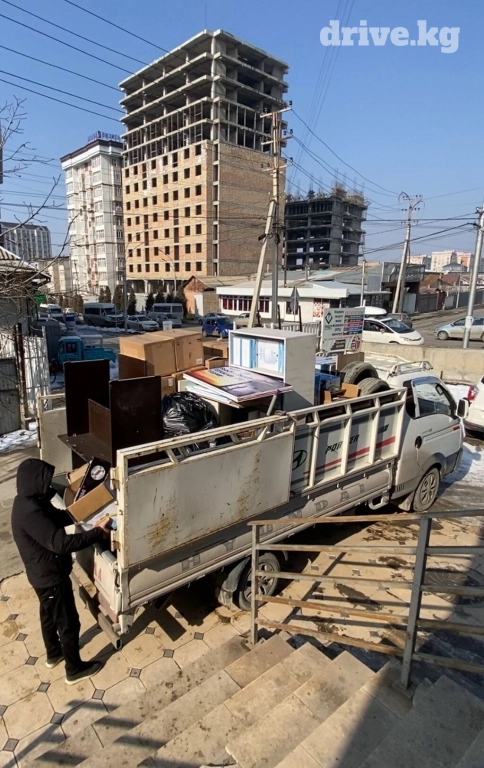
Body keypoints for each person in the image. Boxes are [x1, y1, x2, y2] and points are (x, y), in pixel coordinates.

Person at [11, 458, 111, 685]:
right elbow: (61, 544)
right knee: (68, 622)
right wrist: (97, 532)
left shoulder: (31, 502)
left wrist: (85, 507)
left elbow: (60, 518)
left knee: (48, 616)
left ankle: (54, 653)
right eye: (45, 482)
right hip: (51, 578)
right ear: (35, 482)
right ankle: (74, 669)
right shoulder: (30, 513)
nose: (48, 486)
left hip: (41, 576)